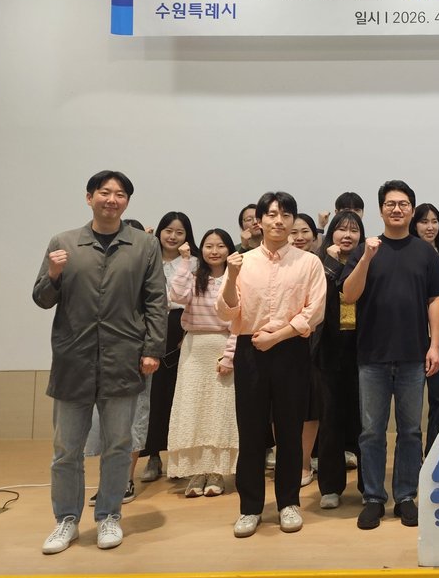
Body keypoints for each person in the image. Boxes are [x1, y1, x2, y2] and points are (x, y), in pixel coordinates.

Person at [32, 170, 167, 554]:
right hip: (73, 360)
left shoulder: (144, 245)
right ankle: (66, 520)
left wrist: (152, 349)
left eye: (120, 194)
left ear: (127, 202)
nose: (112, 199)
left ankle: (109, 515)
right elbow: (42, 298)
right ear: (89, 197)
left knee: (118, 445)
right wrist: (54, 274)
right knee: (66, 449)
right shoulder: (63, 243)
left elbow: (156, 300)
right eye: (104, 192)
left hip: (123, 358)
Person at [217, 191, 326, 538]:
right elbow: (227, 312)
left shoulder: (309, 263)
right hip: (250, 348)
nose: (279, 221)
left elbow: (314, 311)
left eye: (286, 215)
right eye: (272, 214)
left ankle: (288, 503)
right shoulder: (242, 262)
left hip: (291, 348)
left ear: (293, 221)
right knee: (250, 431)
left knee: (290, 430)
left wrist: (277, 336)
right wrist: (231, 276)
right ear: (259, 221)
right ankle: (250, 507)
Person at [340, 180, 439, 530]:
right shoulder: (366, 249)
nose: (397, 209)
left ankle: (405, 496)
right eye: (390, 204)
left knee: (411, 430)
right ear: (381, 210)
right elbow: (349, 295)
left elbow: (434, 299)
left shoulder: (425, 253)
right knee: (371, 431)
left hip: (414, 356)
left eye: (403, 204)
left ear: (411, 210)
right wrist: (366, 258)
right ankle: (373, 498)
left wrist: (434, 345)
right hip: (372, 356)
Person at [165, 228, 239, 499]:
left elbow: (239, 321)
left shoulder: (235, 279)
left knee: (219, 413)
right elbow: (176, 295)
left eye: (220, 246)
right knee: (192, 410)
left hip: (221, 347)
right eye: (209, 246)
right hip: (193, 349)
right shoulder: (194, 277)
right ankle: (196, 471)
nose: (214, 251)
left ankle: (217, 472)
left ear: (229, 250)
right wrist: (185, 261)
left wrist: (229, 356)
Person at [140, 212, 197, 485]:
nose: (173, 236)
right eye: (168, 230)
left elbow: (197, 300)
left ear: (187, 236)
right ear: (160, 232)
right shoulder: (146, 258)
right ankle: (153, 455)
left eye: (179, 232)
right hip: (150, 327)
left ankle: (179, 457)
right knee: (153, 396)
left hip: (181, 327)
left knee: (179, 396)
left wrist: (188, 332)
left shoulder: (195, 262)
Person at [315, 210, 366, 510]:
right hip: (329, 350)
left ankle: (367, 486)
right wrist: (331, 263)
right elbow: (317, 299)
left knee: (365, 422)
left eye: (354, 230)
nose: (347, 235)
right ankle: (330, 487)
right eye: (341, 229)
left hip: (363, 350)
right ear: (332, 232)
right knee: (330, 419)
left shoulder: (367, 261)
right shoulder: (319, 262)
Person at [411, 202, 439, 454]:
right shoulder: (408, 253)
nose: (430, 227)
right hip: (415, 337)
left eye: (434, 221)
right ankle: (413, 459)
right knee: (411, 403)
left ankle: (435, 456)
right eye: (424, 221)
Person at [289, 213, 322, 487]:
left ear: (314, 235)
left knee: (310, 406)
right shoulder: (278, 263)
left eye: (305, 232)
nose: (299, 237)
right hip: (280, 340)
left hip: (313, 341)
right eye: (294, 232)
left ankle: (303, 461)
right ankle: (287, 459)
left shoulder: (319, 263)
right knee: (281, 405)